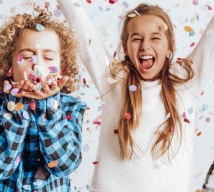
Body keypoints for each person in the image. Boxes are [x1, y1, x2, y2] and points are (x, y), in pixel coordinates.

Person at [57, 0, 214, 191]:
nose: (145, 45)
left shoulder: (185, 83)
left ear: (170, 47)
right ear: (125, 47)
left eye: (155, 38)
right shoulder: (112, 79)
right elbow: (79, 24)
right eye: (136, 38)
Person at [0, 3, 87, 192]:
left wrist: (49, 108)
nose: (37, 66)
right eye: (27, 57)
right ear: (9, 64)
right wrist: (16, 109)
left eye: (49, 58)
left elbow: (65, 165)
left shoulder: (71, 107)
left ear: (62, 65)